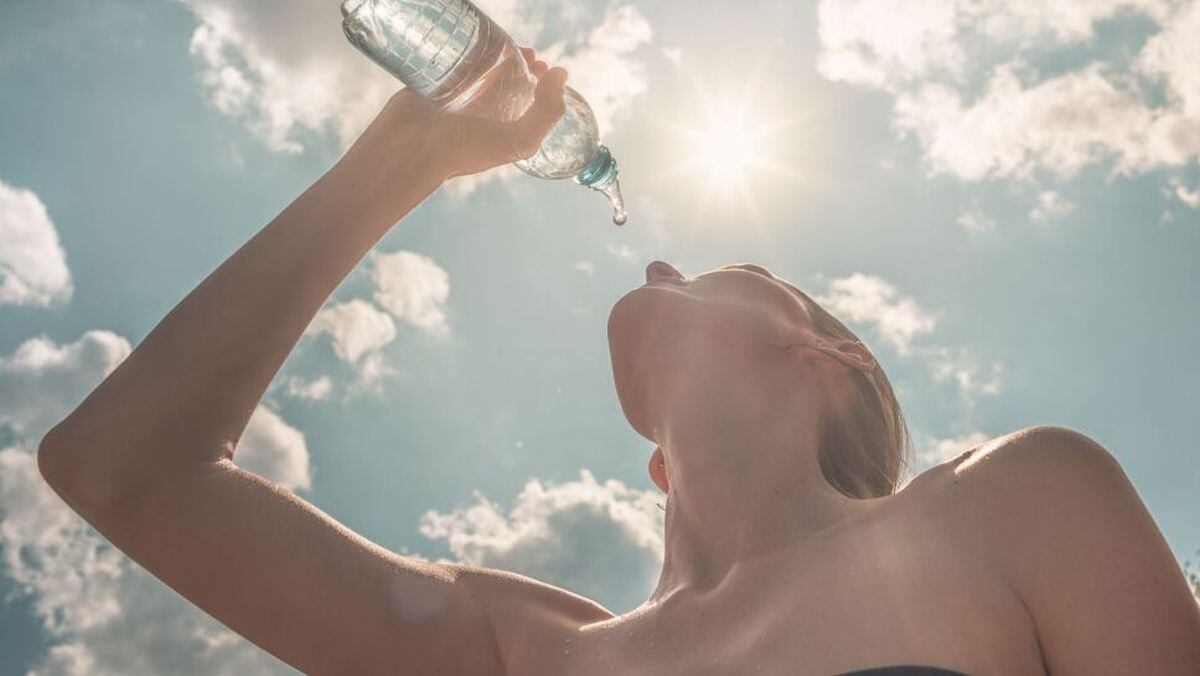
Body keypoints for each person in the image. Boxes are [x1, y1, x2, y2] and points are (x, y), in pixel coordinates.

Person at [36, 48, 1200, 675]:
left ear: (826, 355)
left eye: (715, 275)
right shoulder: (526, 651)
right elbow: (120, 466)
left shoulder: (1017, 500)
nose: (655, 272)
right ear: (652, 467)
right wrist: (397, 163)